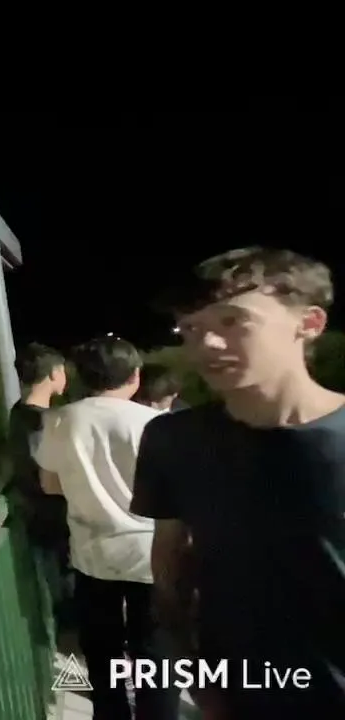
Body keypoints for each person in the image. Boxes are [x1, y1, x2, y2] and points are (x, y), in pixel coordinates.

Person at [130, 247, 345, 720]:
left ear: (309, 323)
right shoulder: (172, 439)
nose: (206, 344)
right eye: (190, 329)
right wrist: (199, 678)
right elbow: (169, 567)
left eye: (233, 321)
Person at [37, 336, 180, 720]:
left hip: (91, 551)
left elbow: (50, 484)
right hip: (151, 553)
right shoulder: (156, 423)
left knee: (102, 646)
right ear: (135, 376)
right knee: (155, 649)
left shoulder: (60, 419)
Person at [5, 343, 72, 633]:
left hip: (35, 514)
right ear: (54, 373)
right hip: (57, 518)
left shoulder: (18, 413)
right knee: (67, 590)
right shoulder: (43, 421)